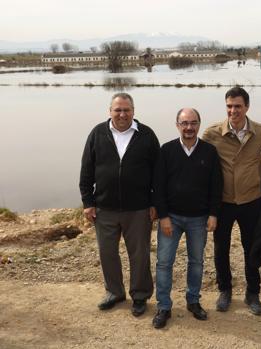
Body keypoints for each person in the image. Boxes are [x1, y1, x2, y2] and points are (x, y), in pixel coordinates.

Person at [79, 92, 159, 317]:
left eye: (126, 110)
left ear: (133, 111)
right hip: (105, 208)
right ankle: (114, 292)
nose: (122, 114)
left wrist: (155, 203)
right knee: (107, 253)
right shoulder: (97, 133)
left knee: (140, 254)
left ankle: (140, 295)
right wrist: (88, 201)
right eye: (118, 110)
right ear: (110, 111)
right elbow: (86, 170)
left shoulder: (147, 135)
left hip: (139, 208)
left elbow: (158, 174)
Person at [202, 86, 261, 315]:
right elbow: (201, 163)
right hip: (222, 202)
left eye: (238, 106)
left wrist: (257, 177)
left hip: (251, 200)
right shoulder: (212, 133)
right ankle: (225, 291)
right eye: (229, 106)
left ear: (247, 107)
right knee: (220, 248)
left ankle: (252, 294)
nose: (233, 111)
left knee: (251, 248)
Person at [152, 108, 222, 329]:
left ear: (199, 125)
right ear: (177, 125)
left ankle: (193, 300)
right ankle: (163, 306)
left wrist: (213, 213)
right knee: (164, 263)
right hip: (170, 217)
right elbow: (158, 186)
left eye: (193, 123)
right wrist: (162, 216)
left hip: (198, 219)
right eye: (184, 123)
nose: (189, 127)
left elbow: (216, 186)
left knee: (197, 262)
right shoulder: (166, 150)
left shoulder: (210, 152)